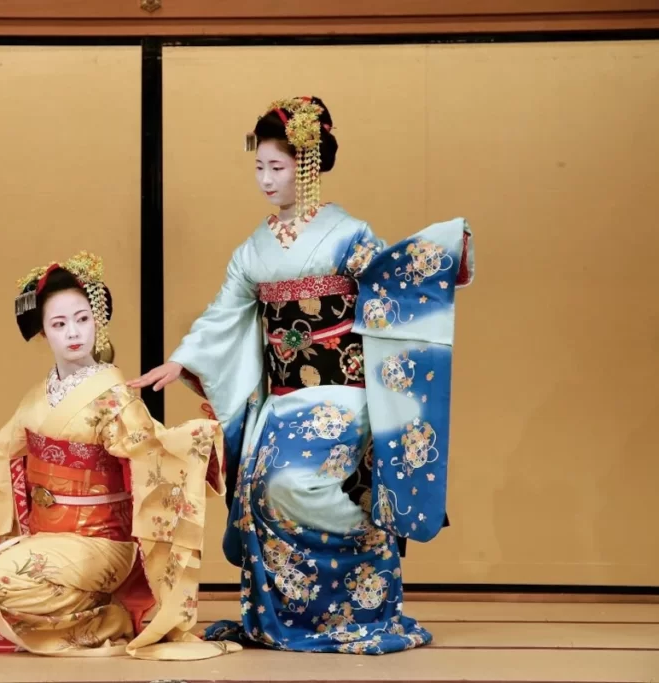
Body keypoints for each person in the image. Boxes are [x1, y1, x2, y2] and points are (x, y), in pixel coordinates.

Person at [130, 96, 474, 655]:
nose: (265, 180)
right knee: (259, 495)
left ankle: (368, 570)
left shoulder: (348, 233)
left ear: (307, 167)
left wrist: (438, 256)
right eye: (259, 167)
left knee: (293, 484)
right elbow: (224, 313)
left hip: (344, 393)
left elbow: (392, 283)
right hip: (283, 400)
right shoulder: (252, 251)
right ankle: (292, 616)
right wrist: (182, 360)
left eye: (278, 167)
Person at [0, 251, 238, 660]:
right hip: (50, 538)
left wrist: (200, 438)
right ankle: (96, 614)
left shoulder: (114, 398)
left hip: (102, 542)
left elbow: (153, 454)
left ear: (97, 322)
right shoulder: (37, 397)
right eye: (60, 323)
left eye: (83, 319)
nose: (74, 332)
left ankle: (116, 619)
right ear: (43, 334)